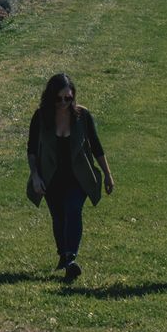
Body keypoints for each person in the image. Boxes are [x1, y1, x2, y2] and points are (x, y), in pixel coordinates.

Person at [26, 72, 114, 281]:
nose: (64, 103)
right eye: (58, 99)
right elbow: (32, 150)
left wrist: (108, 175)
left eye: (68, 98)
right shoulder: (41, 116)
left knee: (73, 210)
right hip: (51, 177)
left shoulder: (82, 116)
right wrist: (35, 176)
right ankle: (63, 256)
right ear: (50, 97)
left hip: (78, 176)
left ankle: (71, 258)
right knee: (58, 217)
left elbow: (96, 147)